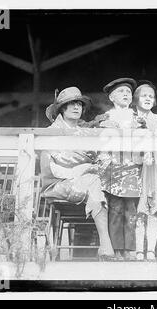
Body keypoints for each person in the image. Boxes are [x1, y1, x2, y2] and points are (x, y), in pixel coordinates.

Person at [40, 86, 116, 261]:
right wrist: (78, 170)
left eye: (79, 104)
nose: (76, 108)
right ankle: (106, 245)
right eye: (71, 104)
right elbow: (52, 169)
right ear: (62, 108)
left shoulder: (86, 131)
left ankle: (112, 248)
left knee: (107, 185)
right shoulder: (52, 131)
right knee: (94, 182)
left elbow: (96, 157)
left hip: (87, 183)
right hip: (58, 183)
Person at [96, 78, 143, 261]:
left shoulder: (138, 119)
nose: (126, 94)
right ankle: (116, 249)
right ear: (112, 97)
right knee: (115, 209)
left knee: (131, 209)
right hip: (113, 169)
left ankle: (129, 249)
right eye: (121, 91)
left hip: (132, 169)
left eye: (128, 92)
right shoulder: (105, 119)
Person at [132, 81, 157, 261]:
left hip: (155, 167)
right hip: (134, 168)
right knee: (139, 211)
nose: (148, 98)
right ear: (136, 99)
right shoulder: (129, 119)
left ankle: (151, 251)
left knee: (154, 210)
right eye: (143, 95)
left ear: (155, 101)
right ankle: (138, 250)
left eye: (151, 96)